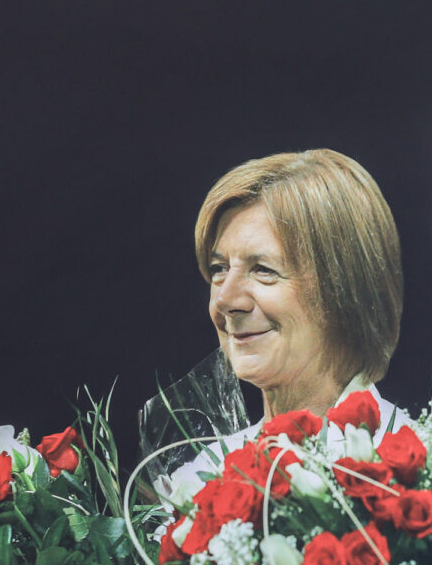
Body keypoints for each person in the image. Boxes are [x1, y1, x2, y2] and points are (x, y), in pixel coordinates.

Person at [173, 149, 406, 483]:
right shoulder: (196, 482)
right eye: (218, 269)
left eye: (263, 269)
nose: (225, 299)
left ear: (344, 288)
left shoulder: (417, 478)